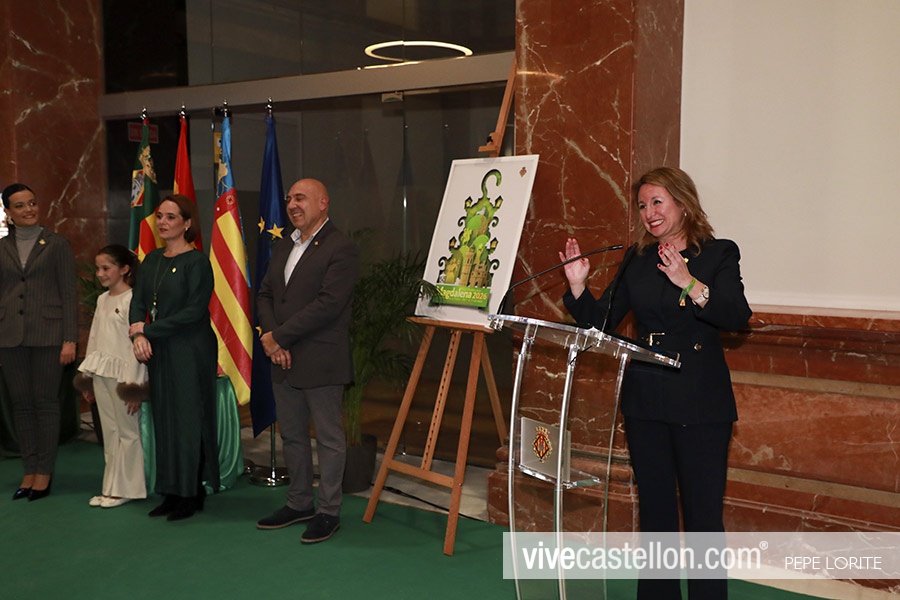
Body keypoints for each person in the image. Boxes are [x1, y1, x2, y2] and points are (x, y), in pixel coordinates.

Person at [560, 167, 752, 600]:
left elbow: (737, 316)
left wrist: (689, 282)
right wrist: (578, 287)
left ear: (683, 203)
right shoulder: (638, 259)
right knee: (656, 515)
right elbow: (602, 323)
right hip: (646, 399)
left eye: (657, 202)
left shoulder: (718, 253)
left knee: (702, 519)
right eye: (643, 205)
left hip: (700, 402)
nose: (649, 212)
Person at [256, 178, 358, 544]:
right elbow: (266, 295)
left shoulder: (341, 247)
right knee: (293, 435)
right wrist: (273, 340)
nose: (292, 205)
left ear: (323, 202)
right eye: (289, 199)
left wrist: (279, 337)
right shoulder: (284, 244)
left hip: (321, 359)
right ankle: (299, 503)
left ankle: (328, 512)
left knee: (329, 440)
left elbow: (329, 304)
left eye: (300, 198)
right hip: (281, 358)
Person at [129, 194, 219, 521]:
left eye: (170, 217)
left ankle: (191, 493)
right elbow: (138, 302)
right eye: (159, 216)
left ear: (187, 223)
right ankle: (170, 491)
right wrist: (138, 335)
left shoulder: (197, 262)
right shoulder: (152, 259)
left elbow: (194, 312)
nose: (162, 223)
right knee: (165, 419)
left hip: (190, 349)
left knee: (188, 420)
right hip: (160, 349)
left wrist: (147, 330)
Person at [0, 183, 77, 502]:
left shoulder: (57, 244)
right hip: (9, 336)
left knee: (45, 404)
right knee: (21, 405)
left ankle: (44, 473)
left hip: (49, 335)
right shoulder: (2, 247)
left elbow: (69, 294)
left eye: (32, 203)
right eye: (19, 206)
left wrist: (70, 339)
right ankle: (29, 470)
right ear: (8, 212)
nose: (28, 209)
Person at [74, 245, 147, 508]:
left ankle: (128, 488)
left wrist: (134, 386)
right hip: (102, 373)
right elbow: (95, 338)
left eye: (106, 268)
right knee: (110, 431)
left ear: (125, 269)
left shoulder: (133, 300)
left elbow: (136, 347)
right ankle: (111, 487)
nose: (100, 274)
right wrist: (87, 377)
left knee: (128, 433)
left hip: (124, 375)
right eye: (98, 268)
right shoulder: (102, 299)